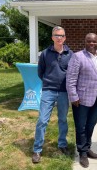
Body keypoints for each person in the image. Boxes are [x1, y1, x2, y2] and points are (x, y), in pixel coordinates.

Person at [31, 26, 73, 164]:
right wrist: (48, 83)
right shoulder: (45, 53)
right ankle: (37, 149)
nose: (59, 38)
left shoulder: (70, 54)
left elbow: (72, 73)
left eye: (61, 35)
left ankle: (62, 144)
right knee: (42, 120)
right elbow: (40, 72)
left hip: (63, 92)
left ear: (65, 38)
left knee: (62, 120)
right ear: (52, 37)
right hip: (48, 91)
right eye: (56, 35)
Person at [66, 33, 97, 168]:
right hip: (81, 99)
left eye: (94, 42)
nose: (92, 44)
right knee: (81, 126)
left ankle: (87, 147)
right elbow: (71, 79)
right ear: (85, 42)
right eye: (89, 41)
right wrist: (74, 97)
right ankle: (82, 152)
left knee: (91, 124)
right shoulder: (78, 57)